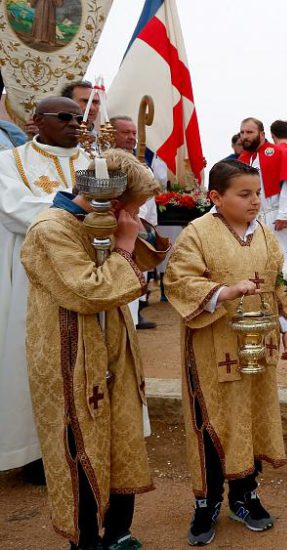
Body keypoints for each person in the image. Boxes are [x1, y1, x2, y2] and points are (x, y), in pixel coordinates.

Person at [21, 148, 166, 550]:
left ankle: (118, 530)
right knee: (79, 443)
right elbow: (89, 292)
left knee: (121, 436)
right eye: (135, 207)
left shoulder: (106, 223)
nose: (137, 215)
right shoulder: (50, 228)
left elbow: (136, 269)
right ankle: (85, 539)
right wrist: (124, 245)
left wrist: (126, 240)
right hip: (71, 354)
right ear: (113, 202)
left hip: (112, 345)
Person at [164, 160, 287, 545]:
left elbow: (277, 281)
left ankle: (245, 495)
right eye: (244, 194)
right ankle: (206, 503)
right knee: (213, 420)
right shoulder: (197, 233)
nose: (255, 201)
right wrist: (224, 291)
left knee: (250, 418)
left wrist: (286, 326)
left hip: (258, 347)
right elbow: (179, 280)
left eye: (258, 193)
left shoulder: (265, 234)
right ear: (216, 197)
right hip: (213, 347)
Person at [0, 97, 92, 487]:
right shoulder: (10, 162)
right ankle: (36, 451)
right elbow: (13, 209)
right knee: (37, 360)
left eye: (79, 117)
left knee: (86, 359)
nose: (75, 123)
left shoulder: (93, 162)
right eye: (65, 117)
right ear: (37, 120)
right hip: (34, 277)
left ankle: (85, 442)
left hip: (88, 275)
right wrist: (74, 205)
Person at [238, 117, 287, 319]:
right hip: (257, 218)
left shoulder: (278, 153)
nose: (245, 136)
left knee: (286, 259)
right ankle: (267, 303)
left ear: (263, 134)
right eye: (242, 132)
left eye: (250, 132)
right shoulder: (245, 159)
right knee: (263, 262)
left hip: (277, 217)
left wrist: (285, 214)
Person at [109, 114, 159, 331]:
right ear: (110, 133)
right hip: (116, 231)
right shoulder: (105, 163)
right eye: (125, 132)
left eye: (133, 133)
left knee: (138, 277)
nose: (131, 137)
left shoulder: (143, 166)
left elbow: (150, 201)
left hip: (139, 229)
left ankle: (134, 317)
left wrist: (150, 226)